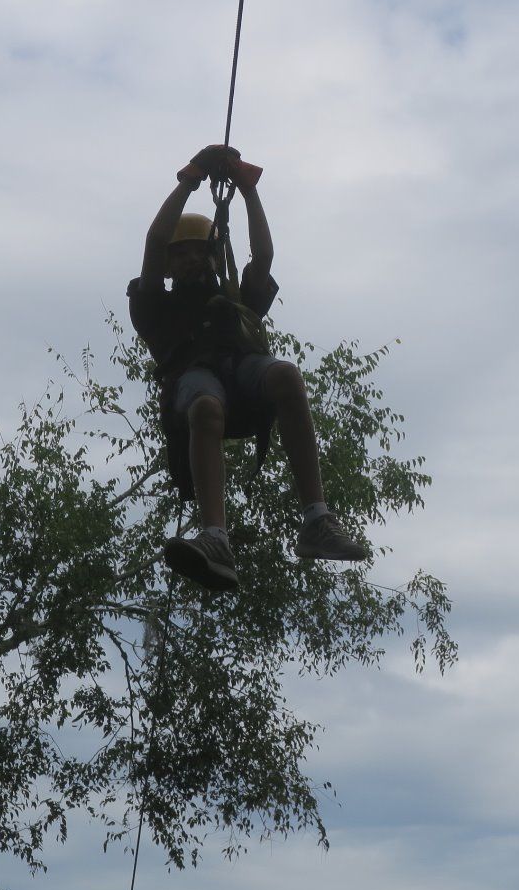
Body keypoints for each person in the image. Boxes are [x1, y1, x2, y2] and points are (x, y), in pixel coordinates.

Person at [129, 145, 368, 591]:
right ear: (168, 264)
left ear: (214, 255)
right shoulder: (153, 306)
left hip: (241, 372)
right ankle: (215, 538)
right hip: (196, 381)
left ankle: (317, 519)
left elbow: (264, 257)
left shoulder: (237, 302)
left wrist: (248, 191)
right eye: (178, 255)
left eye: (196, 251)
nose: (187, 260)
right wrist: (190, 179)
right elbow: (154, 241)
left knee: (286, 376)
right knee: (204, 408)